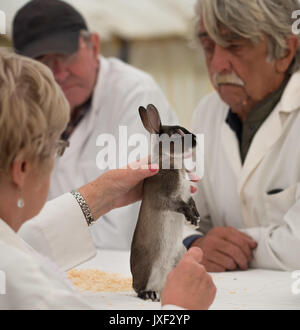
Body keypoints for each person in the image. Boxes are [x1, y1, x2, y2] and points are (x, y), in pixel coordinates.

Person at [0, 51, 216, 310]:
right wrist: (180, 308)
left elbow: (21, 244)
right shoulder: (28, 289)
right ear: (22, 168)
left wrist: (100, 195)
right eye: (57, 149)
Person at [12, 0, 179, 250]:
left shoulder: (134, 94)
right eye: (42, 61)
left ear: (94, 45)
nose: (58, 73)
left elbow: (122, 230)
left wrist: (39, 234)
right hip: (50, 263)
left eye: (65, 55)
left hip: (122, 264)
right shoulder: (19, 106)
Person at [183, 0, 300, 272]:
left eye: (234, 45)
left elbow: (297, 249)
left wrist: (223, 247)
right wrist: (194, 243)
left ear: (284, 51)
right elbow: (176, 216)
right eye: (208, 47)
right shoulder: (208, 113)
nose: (218, 64)